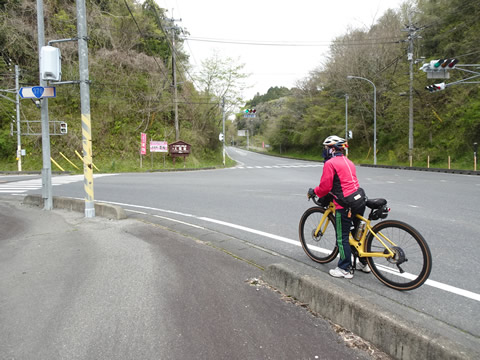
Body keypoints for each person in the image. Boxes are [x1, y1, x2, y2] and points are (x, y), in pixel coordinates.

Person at [307, 135, 370, 279]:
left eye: (326, 148)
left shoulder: (330, 164)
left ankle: (345, 268)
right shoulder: (349, 161)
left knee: (342, 237)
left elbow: (325, 187)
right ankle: (364, 263)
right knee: (357, 234)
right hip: (359, 200)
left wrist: (314, 192)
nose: (325, 150)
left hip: (345, 204)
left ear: (332, 149)